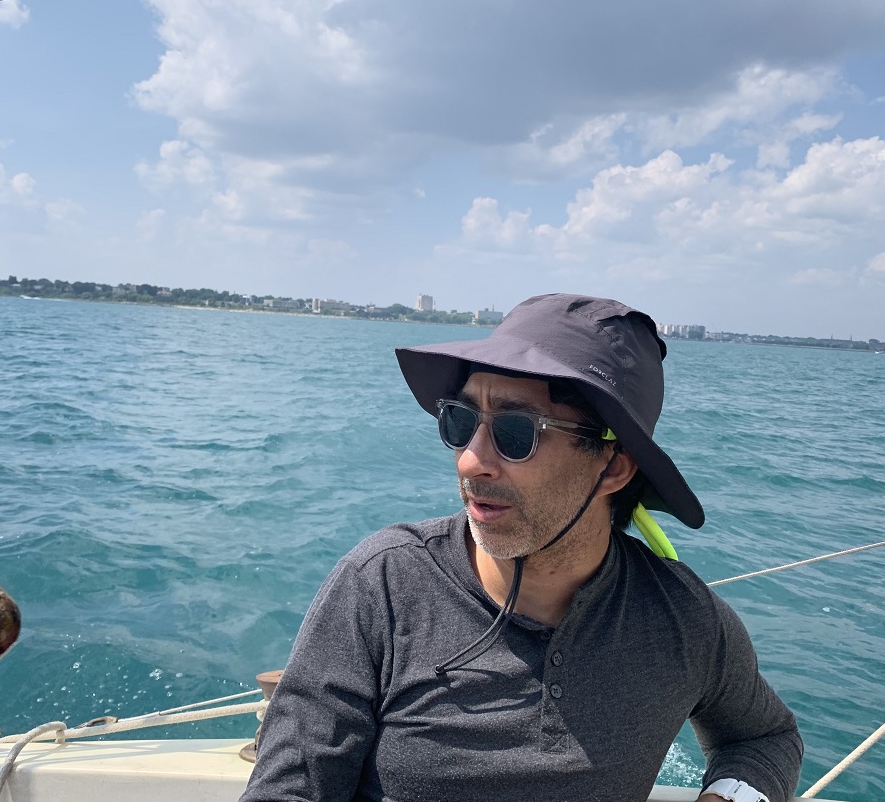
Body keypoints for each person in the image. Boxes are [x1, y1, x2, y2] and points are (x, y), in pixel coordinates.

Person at [240, 294, 803, 802]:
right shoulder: (383, 586)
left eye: (516, 432)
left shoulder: (683, 619)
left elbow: (765, 736)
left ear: (613, 466)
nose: (471, 460)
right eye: (461, 421)